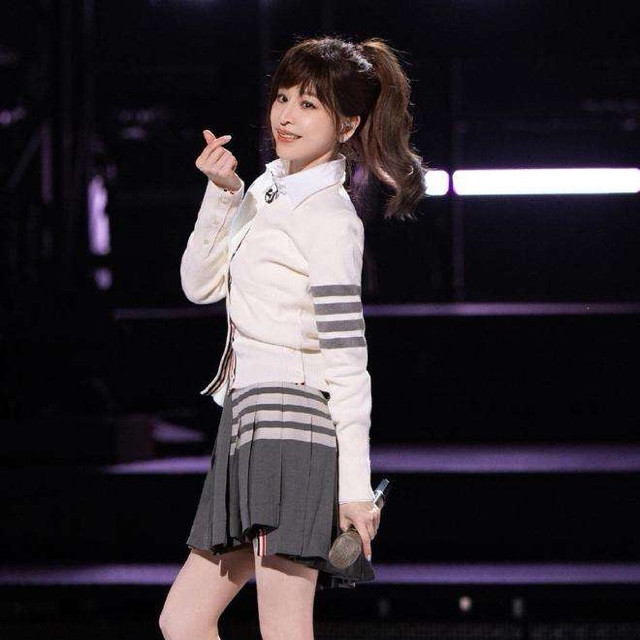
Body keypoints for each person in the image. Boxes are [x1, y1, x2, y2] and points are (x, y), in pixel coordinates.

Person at [160, 35, 427, 640]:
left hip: (291, 426)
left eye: (309, 104)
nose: (286, 115)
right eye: (283, 97)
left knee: (282, 629)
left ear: (347, 124)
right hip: (250, 418)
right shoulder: (266, 189)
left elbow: (348, 361)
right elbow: (199, 285)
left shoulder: (330, 218)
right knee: (183, 620)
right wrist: (222, 194)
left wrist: (355, 489)